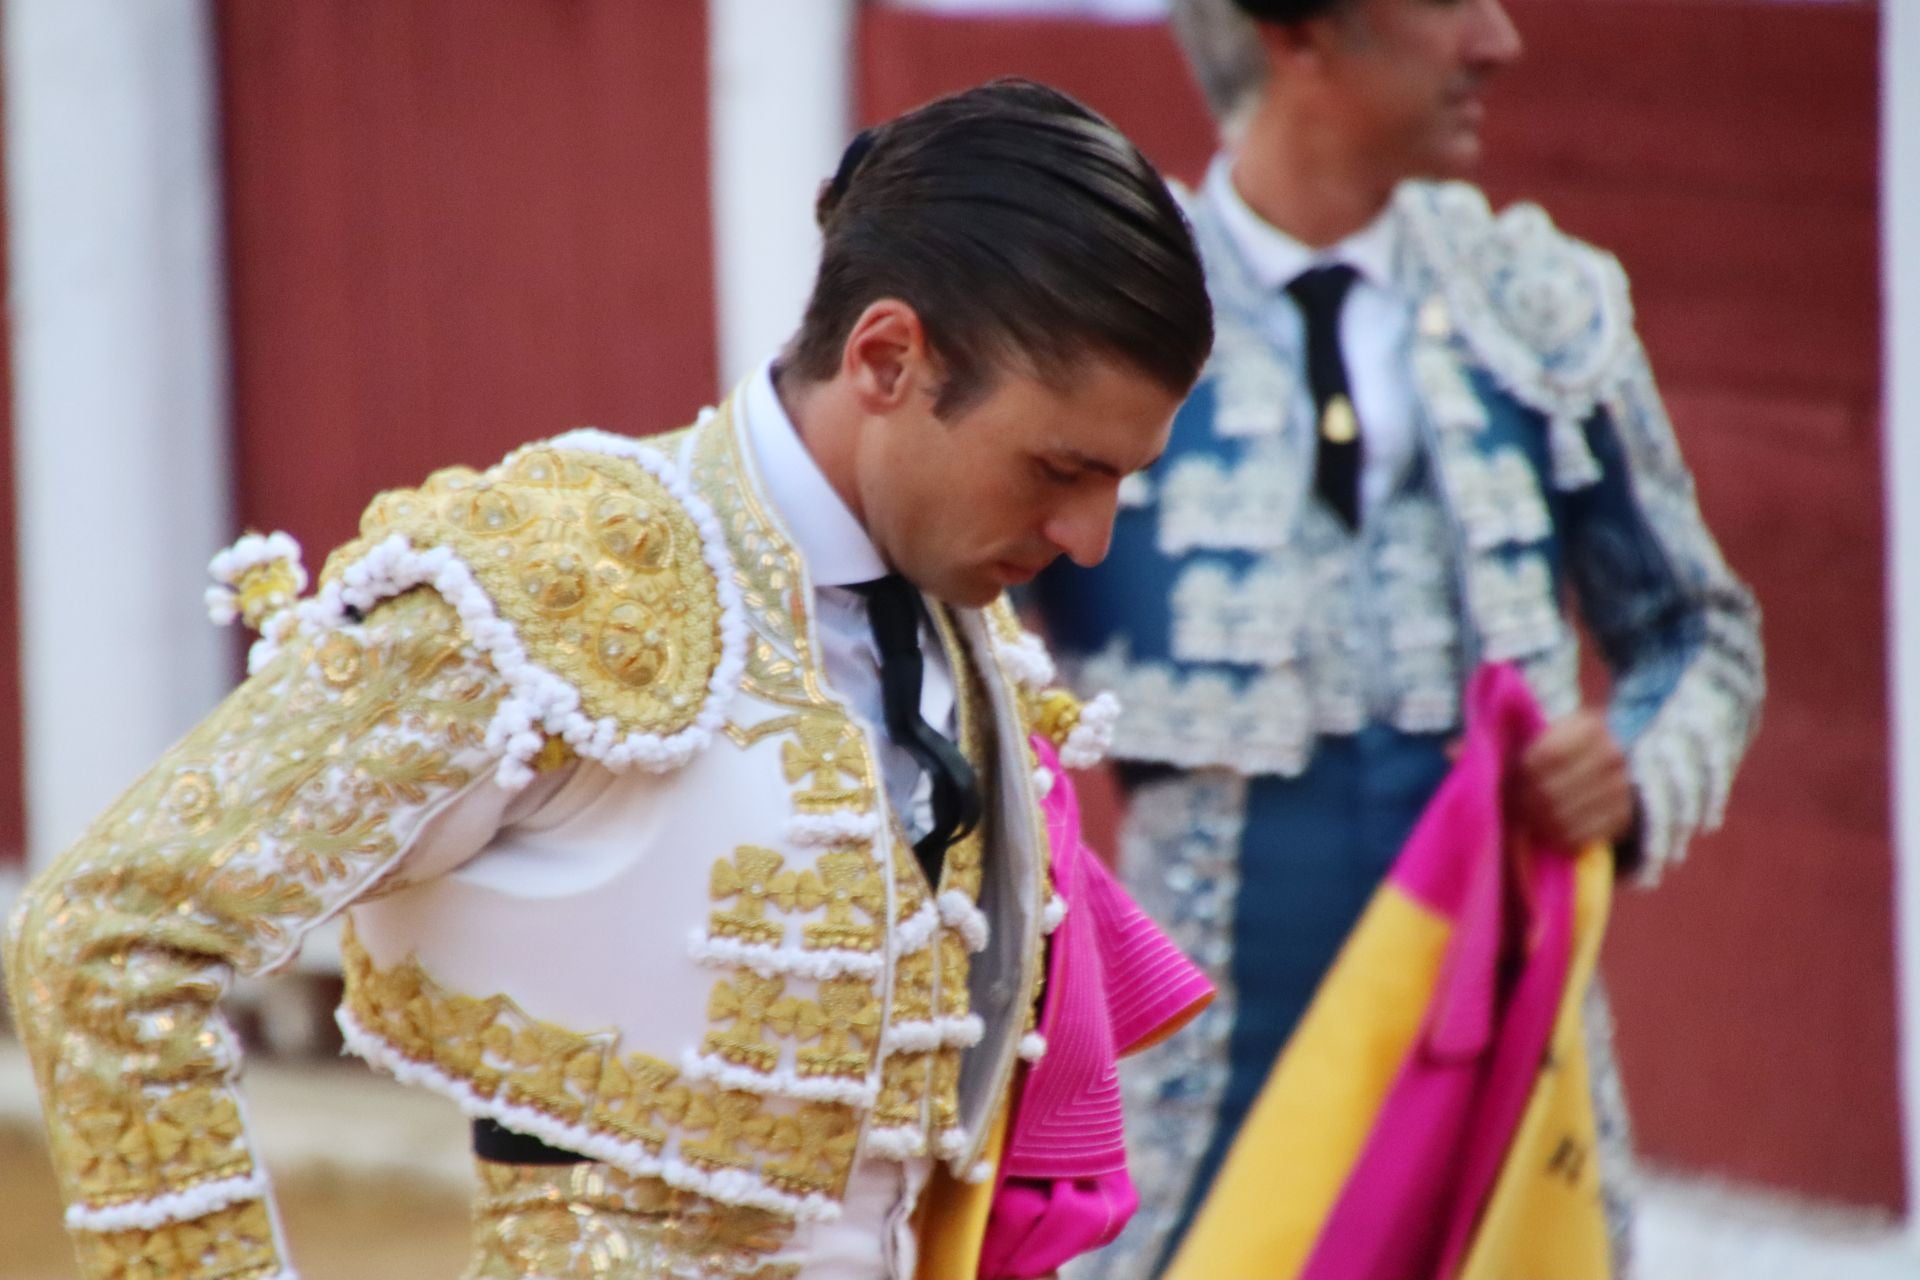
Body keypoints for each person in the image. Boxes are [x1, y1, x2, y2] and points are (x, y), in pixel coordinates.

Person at [5, 79, 1213, 1280]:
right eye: (1057, 468)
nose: (1090, 538)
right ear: (887, 357)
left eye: (1119, 480)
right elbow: (105, 939)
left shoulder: (968, 633)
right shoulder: (563, 583)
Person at [1030, 2, 1765, 1275]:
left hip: (1504, 1036)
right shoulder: (1103, 311)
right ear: (1300, 30)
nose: (1497, 40)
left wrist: (1637, 764)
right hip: (1197, 1070)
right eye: (1446, 1)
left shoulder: (1533, 306)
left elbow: (1698, 630)